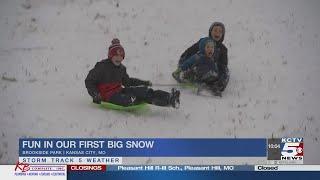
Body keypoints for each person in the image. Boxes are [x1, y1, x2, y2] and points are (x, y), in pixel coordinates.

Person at [85, 38, 180, 108]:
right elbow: (89, 81)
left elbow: (128, 82)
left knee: (144, 92)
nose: (118, 58)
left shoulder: (121, 68)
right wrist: (96, 94)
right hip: (107, 96)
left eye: (121, 56)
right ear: (110, 56)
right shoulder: (102, 66)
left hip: (119, 91)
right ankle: (133, 99)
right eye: (116, 56)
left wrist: (143, 82)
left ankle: (170, 99)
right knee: (130, 98)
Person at [174, 22, 229, 92]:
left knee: (223, 74)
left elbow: (223, 65)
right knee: (198, 60)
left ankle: (213, 85)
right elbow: (190, 51)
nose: (217, 33)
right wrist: (181, 64)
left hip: (212, 70)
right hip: (199, 66)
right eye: (215, 30)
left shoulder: (223, 49)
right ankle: (187, 76)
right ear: (210, 32)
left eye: (220, 31)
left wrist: (221, 81)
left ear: (222, 34)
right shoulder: (204, 41)